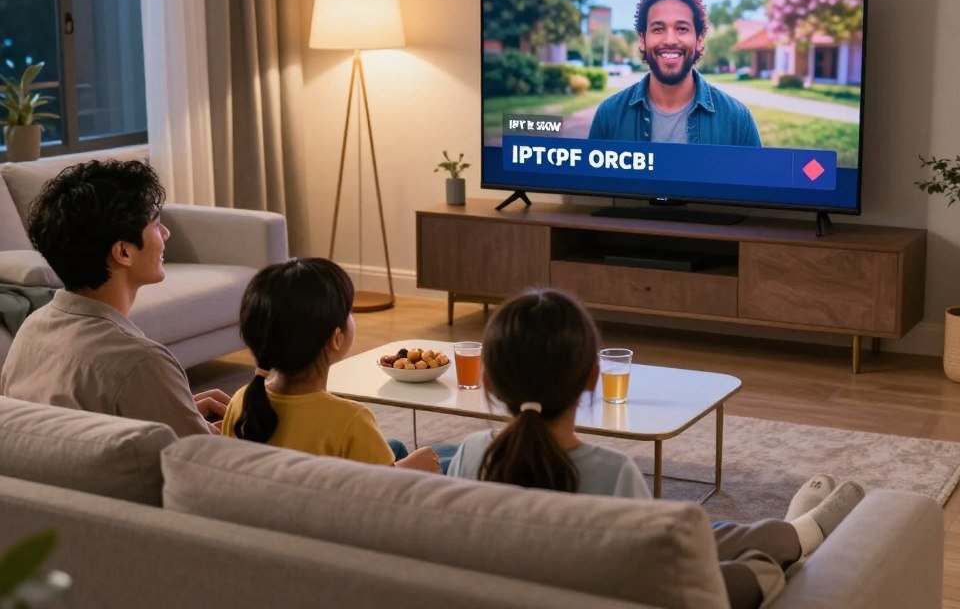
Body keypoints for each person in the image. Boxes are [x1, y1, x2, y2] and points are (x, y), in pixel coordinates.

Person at [448, 289, 864, 609]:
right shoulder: (612, 474)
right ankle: (801, 540)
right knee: (754, 567)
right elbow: (655, 577)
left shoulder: (470, 455)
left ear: (487, 381)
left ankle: (797, 528)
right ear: (594, 378)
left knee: (708, 532)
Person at [0, 160, 227, 437]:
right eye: (156, 224)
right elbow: (205, 465)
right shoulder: (142, 362)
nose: (166, 234)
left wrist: (174, 408)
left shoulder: (30, 330)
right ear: (123, 252)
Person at [221, 257, 441, 473]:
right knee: (446, 453)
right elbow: (376, 497)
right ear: (336, 339)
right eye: (349, 311)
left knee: (395, 447)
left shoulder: (241, 401)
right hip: (334, 505)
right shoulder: (350, 420)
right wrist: (408, 468)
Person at [588, 0, 762, 146]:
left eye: (682, 29)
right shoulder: (609, 116)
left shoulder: (739, 122)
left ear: (699, 40)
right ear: (642, 39)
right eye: (658, 29)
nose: (670, 40)